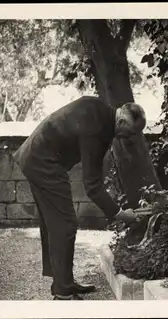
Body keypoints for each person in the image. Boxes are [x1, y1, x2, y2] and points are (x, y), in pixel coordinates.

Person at [13, 96, 146, 300]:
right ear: (121, 122)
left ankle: (63, 282)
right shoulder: (97, 130)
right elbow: (93, 186)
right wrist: (120, 214)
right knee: (65, 224)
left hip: (36, 156)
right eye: (129, 133)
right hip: (42, 162)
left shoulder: (99, 110)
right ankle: (63, 291)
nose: (127, 138)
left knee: (55, 223)